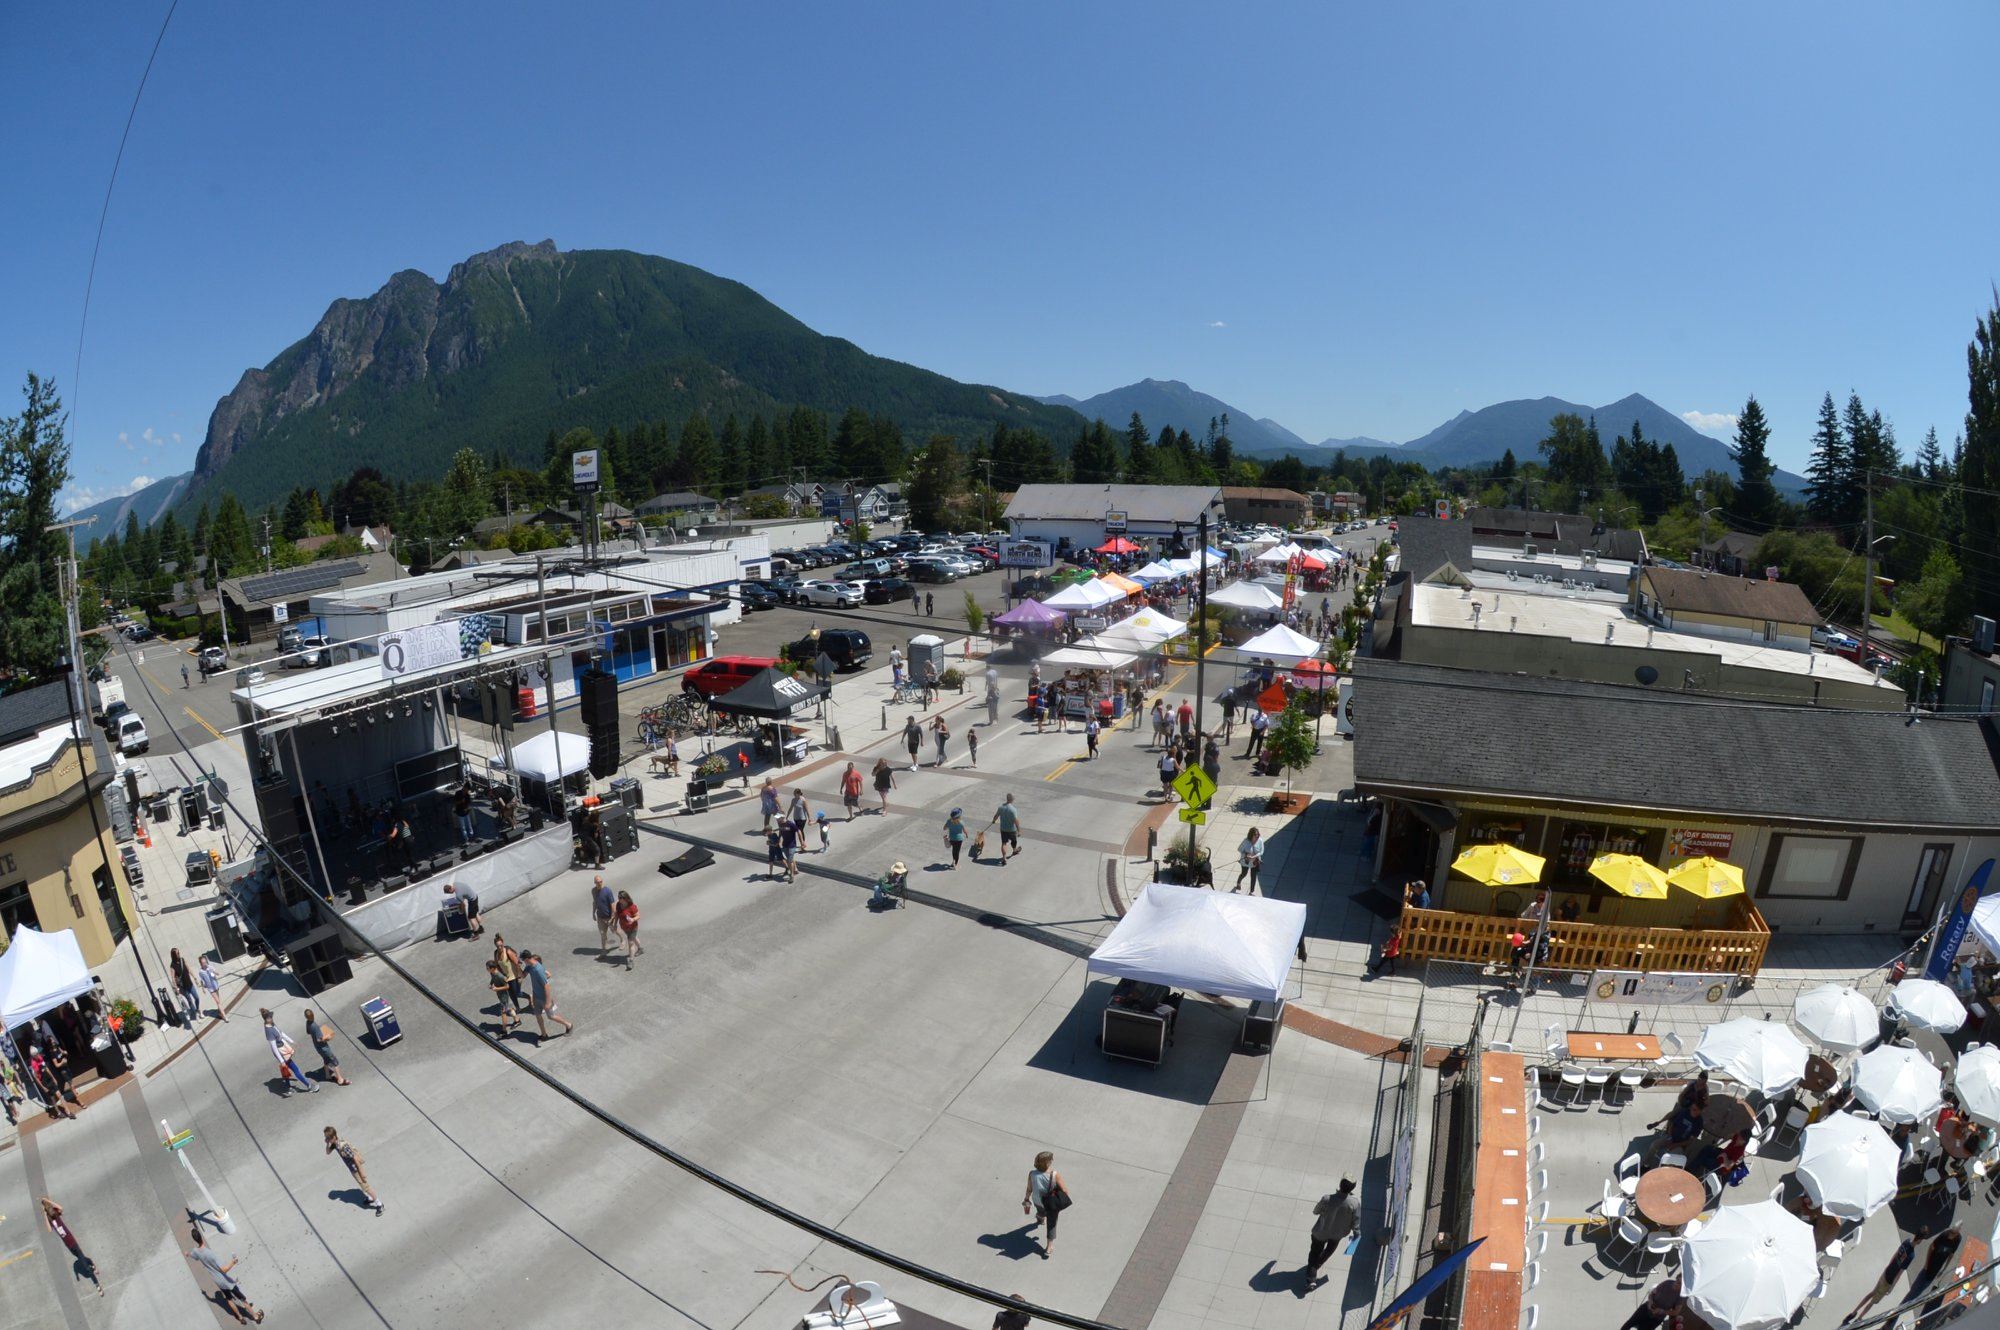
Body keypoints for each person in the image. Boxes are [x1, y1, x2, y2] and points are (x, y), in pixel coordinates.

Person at [187, 1226, 264, 1324]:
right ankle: (256, 1317)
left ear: (194, 1239)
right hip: (226, 1281)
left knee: (229, 1299)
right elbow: (224, 1270)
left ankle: (240, 1318)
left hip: (217, 1280)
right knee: (242, 1299)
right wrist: (233, 1262)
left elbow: (192, 1255)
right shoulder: (210, 1254)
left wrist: (187, 1254)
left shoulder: (195, 1251)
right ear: (201, 1236)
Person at [1846, 1228, 1919, 1324]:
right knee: (1873, 1302)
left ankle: (1854, 1312)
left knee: (1872, 1293)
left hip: (1886, 1273)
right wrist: (1891, 1287)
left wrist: (1886, 1268)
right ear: (1920, 1241)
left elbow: (1895, 1255)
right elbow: (1899, 1273)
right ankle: (1859, 1318)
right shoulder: (1911, 1255)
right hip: (1889, 1280)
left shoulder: (1906, 1241)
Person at [41, 1197, 102, 1294]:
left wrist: (49, 1201)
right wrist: (44, 1215)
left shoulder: (56, 1214)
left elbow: (61, 1207)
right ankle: (93, 1268)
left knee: (85, 1265)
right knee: (83, 1260)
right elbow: (49, 1230)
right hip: (68, 1245)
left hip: (72, 1241)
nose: (48, 1210)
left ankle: (96, 1283)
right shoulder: (50, 1220)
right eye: (47, 1208)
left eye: (48, 1208)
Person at [1306, 1178, 1359, 1279]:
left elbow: (1316, 1211)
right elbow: (1356, 1225)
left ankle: (1311, 1277)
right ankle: (1315, 1267)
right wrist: (1351, 1247)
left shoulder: (1327, 1199)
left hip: (1321, 1232)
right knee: (1328, 1251)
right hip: (1337, 1234)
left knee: (1314, 1253)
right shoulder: (1354, 1203)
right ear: (1352, 1188)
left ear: (1340, 1184)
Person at [325, 1126, 384, 1212]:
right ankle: (371, 1198)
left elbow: (355, 1158)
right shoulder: (335, 1144)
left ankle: (379, 1204)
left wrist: (362, 1173)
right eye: (326, 1137)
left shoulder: (343, 1147)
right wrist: (327, 1143)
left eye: (328, 1138)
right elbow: (328, 1152)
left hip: (356, 1169)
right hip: (352, 1168)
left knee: (366, 1187)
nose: (327, 1139)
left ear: (334, 1137)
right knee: (363, 1186)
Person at [1022, 1150, 1067, 1259]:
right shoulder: (1054, 1174)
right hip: (1050, 1203)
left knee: (1041, 1211)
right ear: (1048, 1162)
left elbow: (1029, 1188)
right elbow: (1065, 1191)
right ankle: (1049, 1247)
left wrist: (1026, 1199)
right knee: (1051, 1224)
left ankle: (1040, 1218)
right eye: (1051, 1159)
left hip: (1037, 1201)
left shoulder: (1032, 1173)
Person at [259, 1009, 316, 1095]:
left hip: (283, 1050)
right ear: (267, 1019)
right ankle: (309, 1086)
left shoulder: (271, 1024)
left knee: (285, 1069)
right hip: (281, 1053)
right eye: (270, 1017)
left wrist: (292, 1041)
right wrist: (282, 1061)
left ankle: (289, 1088)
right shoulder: (269, 1031)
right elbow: (274, 1047)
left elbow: (281, 1033)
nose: (272, 1018)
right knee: (295, 1069)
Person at [524, 951, 576, 1040]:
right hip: (536, 996)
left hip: (544, 998)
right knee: (538, 1015)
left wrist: (548, 1002)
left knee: (551, 1016)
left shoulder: (538, 970)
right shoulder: (529, 967)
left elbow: (546, 986)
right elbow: (522, 976)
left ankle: (569, 1025)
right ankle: (544, 1034)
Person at [302, 1007, 351, 1086]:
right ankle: (340, 1080)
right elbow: (319, 1039)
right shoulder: (315, 1026)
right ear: (313, 1015)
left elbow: (308, 1032)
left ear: (306, 1017)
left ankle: (328, 1075)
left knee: (326, 1059)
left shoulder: (307, 1023)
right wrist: (327, 1037)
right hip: (323, 1048)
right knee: (335, 1062)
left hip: (317, 1047)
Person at [1617, 1276, 1683, 1330]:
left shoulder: (1681, 1296)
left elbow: (1676, 1312)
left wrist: (1662, 1311)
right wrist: (1650, 1301)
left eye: (1680, 1283)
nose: (1676, 1283)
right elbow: (1652, 1293)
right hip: (1647, 1307)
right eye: (1677, 1280)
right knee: (1629, 1323)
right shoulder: (1667, 1283)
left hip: (1657, 1317)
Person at [486, 959, 521, 1036]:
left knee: (503, 1013)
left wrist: (497, 989)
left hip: (504, 997)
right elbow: (493, 979)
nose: (487, 969)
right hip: (501, 996)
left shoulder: (500, 976)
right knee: (509, 1008)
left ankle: (504, 1030)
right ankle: (517, 1020)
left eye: (487, 968)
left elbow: (507, 986)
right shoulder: (492, 973)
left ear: (492, 968)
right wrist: (491, 983)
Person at [493, 935, 527, 1010]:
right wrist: (502, 974)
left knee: (517, 993)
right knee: (511, 994)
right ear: (495, 945)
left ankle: (529, 997)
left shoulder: (508, 952)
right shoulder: (496, 953)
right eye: (498, 946)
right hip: (507, 977)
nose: (499, 948)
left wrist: (519, 977)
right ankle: (518, 1008)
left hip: (515, 976)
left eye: (501, 946)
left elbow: (517, 964)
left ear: (503, 943)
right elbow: (497, 965)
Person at [171, 947, 200, 1026]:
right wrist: (176, 988)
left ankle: (197, 1010)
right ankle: (196, 1016)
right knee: (190, 1000)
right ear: (174, 955)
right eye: (177, 953)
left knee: (197, 998)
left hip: (190, 984)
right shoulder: (172, 966)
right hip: (183, 987)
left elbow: (189, 969)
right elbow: (173, 978)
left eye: (179, 952)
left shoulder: (182, 960)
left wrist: (195, 978)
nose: (179, 954)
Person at [990, 794, 1022, 864]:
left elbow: (996, 815)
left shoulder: (1001, 807)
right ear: (1012, 800)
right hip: (1012, 829)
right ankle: (1014, 850)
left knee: (1004, 843)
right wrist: (1019, 831)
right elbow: (1016, 821)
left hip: (1003, 829)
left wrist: (993, 820)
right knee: (1014, 841)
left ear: (1007, 799)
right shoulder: (1013, 809)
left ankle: (1004, 858)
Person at [590, 874, 616, 952]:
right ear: (595, 882)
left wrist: (612, 916)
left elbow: (612, 904)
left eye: (601, 882)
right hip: (600, 916)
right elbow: (595, 902)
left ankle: (622, 940)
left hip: (608, 916)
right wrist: (593, 913)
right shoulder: (593, 891)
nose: (599, 883)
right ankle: (604, 950)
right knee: (602, 933)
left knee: (615, 931)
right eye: (597, 882)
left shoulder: (607, 891)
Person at [615, 890, 642, 964]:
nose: (619, 900)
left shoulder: (632, 906)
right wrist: (614, 923)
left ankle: (631, 960)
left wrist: (633, 919)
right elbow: (617, 914)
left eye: (621, 898)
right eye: (618, 898)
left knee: (630, 943)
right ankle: (640, 949)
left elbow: (638, 916)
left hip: (633, 927)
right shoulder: (618, 905)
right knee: (634, 938)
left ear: (626, 898)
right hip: (624, 927)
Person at [197, 955, 227, 1022]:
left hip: (215, 985)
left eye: (205, 962)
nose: (204, 964)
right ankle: (224, 1016)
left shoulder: (209, 967)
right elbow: (202, 980)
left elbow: (216, 973)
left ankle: (220, 1013)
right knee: (218, 1002)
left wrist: (215, 973)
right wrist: (203, 988)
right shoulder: (201, 972)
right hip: (210, 988)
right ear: (200, 964)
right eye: (203, 963)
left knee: (218, 1000)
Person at [1236, 829, 1264, 893]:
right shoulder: (1246, 841)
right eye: (1256, 835)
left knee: (1253, 876)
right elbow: (1239, 849)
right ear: (1251, 835)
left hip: (1255, 861)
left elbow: (1261, 851)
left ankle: (1251, 891)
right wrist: (1246, 854)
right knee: (1244, 874)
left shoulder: (1260, 840)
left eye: (1258, 835)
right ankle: (1239, 882)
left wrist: (1254, 856)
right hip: (1246, 861)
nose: (1257, 837)